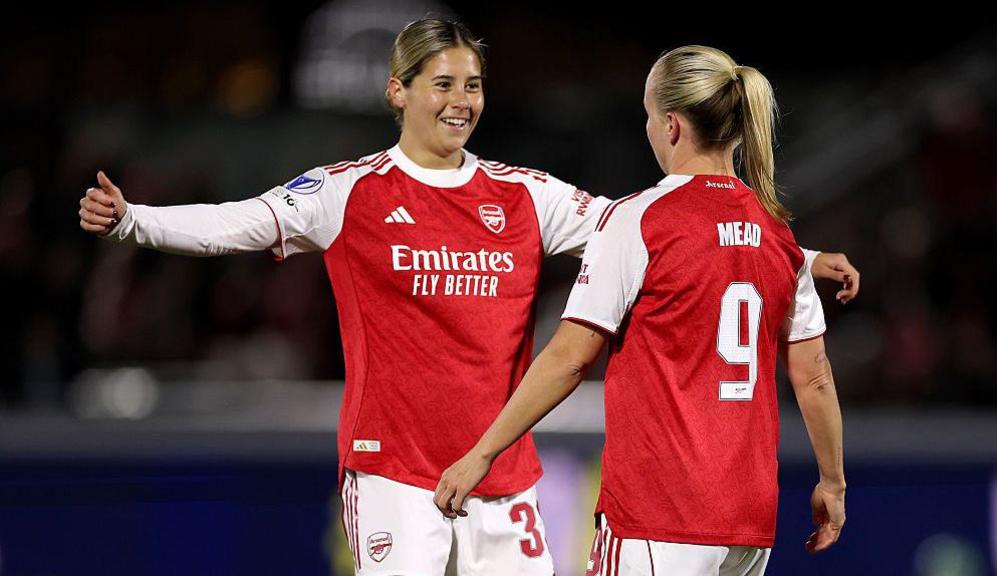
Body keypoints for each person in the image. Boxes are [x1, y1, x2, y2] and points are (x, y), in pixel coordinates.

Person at [78, 20, 853, 575]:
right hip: (394, 475)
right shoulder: (350, 192)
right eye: (443, 83)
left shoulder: (524, 196)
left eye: (474, 85)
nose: (462, 100)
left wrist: (805, 258)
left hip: (502, 477)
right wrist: (135, 223)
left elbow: (671, 233)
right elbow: (240, 223)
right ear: (398, 90)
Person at [433, 45, 846, 576]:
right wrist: (832, 483)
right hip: (747, 524)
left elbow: (570, 360)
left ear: (671, 125)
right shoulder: (778, 235)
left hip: (659, 518)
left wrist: (482, 454)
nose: (649, 130)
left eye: (649, 117)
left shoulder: (639, 221)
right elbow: (814, 377)